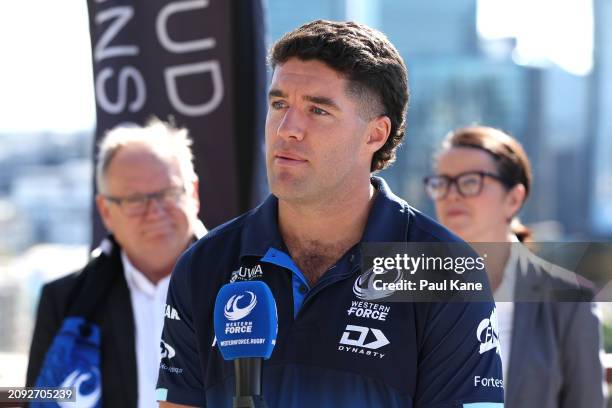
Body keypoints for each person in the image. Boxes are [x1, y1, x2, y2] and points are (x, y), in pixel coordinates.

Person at [157, 20, 504, 408]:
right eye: (279, 104)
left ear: (375, 134)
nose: (287, 129)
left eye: (317, 111)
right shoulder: (205, 263)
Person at [26, 119, 207, 408]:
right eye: (136, 199)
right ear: (105, 211)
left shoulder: (246, 282)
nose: (155, 212)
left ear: (193, 192)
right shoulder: (65, 302)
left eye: (169, 193)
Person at [424, 125, 606, 408]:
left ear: (514, 198)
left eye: (471, 181)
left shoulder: (569, 299)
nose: (452, 194)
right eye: (442, 182)